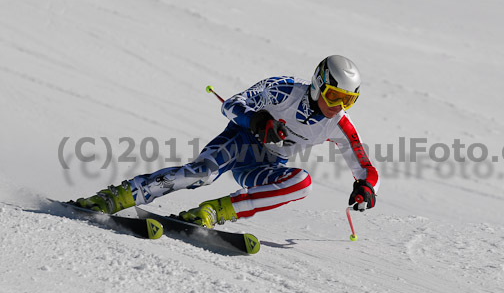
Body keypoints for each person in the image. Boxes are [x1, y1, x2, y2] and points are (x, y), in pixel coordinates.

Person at [74, 55, 379, 228]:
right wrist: (258, 122)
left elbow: (364, 166)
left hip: (263, 166)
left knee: (303, 183)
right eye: (334, 96)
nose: (338, 106)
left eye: (348, 101)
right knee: (202, 174)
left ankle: (212, 212)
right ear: (318, 85)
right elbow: (232, 104)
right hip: (240, 141)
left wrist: (365, 187)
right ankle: (118, 196)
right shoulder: (284, 90)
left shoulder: (338, 124)